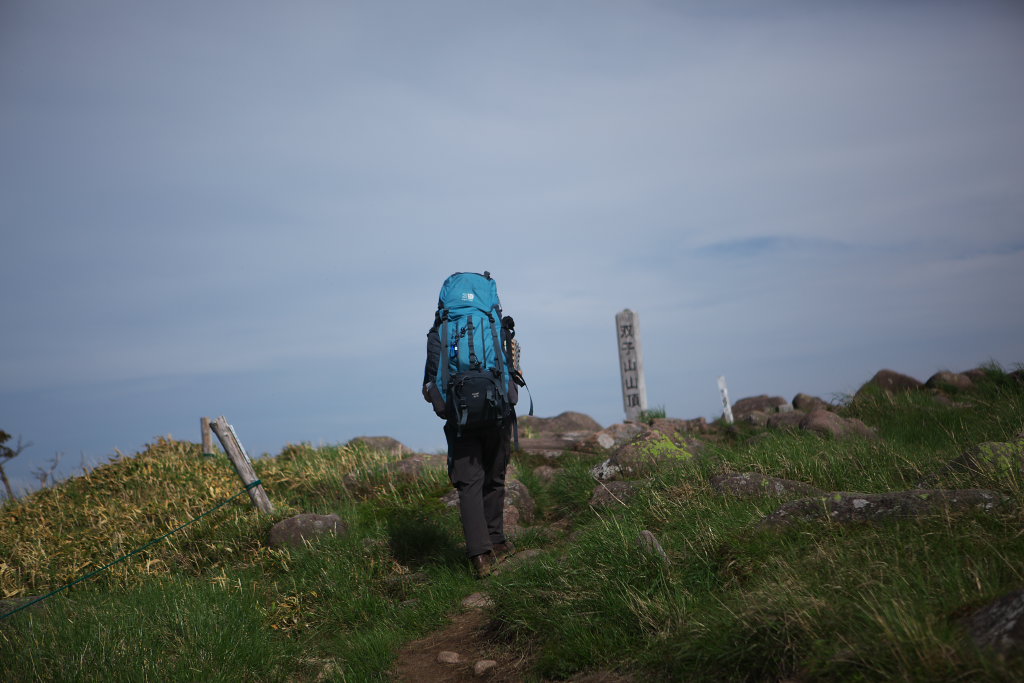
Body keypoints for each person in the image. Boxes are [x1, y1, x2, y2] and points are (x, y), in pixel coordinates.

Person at [422, 278, 521, 578]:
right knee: (495, 478)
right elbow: (512, 368)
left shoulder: (439, 329)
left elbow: (429, 382)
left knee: (469, 484)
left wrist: (446, 408)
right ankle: (498, 543)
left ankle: (479, 557)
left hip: (459, 417)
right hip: (497, 412)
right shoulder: (496, 324)